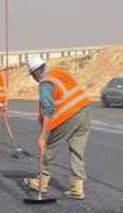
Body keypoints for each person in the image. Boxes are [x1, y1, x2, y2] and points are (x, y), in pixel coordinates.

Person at [23, 57, 92, 200]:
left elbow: (48, 109)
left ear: (35, 72)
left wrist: (43, 136)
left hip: (69, 116)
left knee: (49, 148)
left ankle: (42, 182)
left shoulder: (45, 82)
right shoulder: (60, 73)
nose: (33, 78)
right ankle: (77, 187)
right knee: (77, 151)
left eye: (32, 74)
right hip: (85, 112)